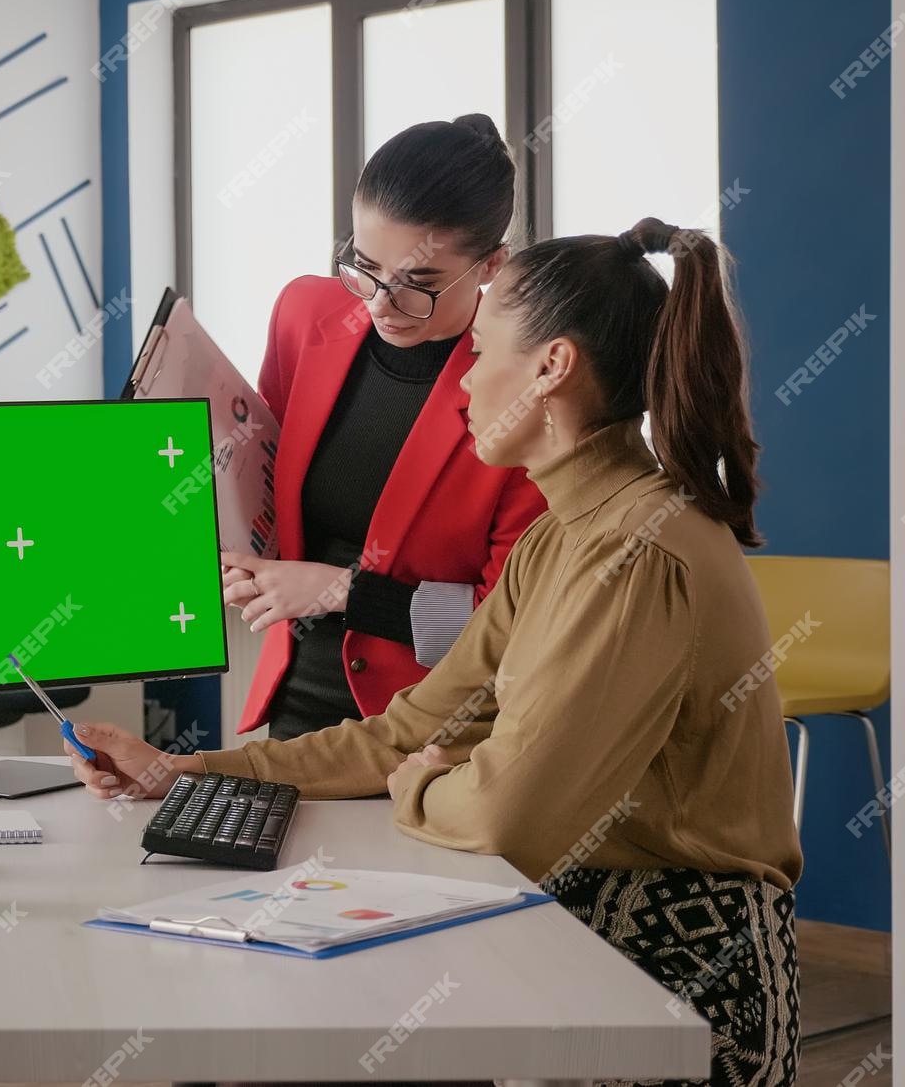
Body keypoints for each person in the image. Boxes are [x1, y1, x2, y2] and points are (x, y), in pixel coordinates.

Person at [72, 219, 801, 1086]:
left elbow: (509, 819)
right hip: (578, 935)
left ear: (551, 368)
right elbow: (404, 731)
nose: (461, 384)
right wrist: (185, 769)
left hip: (677, 980)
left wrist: (423, 778)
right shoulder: (561, 538)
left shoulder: (635, 552)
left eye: (481, 350)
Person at [229, 115, 547, 742]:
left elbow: (509, 623)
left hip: (432, 731)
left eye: (418, 284)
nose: (379, 304)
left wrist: (342, 590)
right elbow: (261, 475)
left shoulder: (522, 400)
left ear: (491, 266)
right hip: (293, 705)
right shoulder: (305, 313)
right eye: (365, 267)